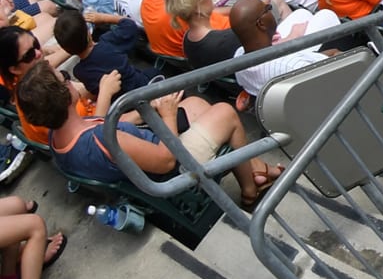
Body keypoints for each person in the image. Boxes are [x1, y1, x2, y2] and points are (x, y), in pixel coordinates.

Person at [23, 58, 280, 210]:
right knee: (225, 112)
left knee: (195, 105)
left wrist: (150, 108)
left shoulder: (57, 139)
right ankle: (249, 190)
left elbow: (113, 123)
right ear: (65, 95)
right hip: (173, 173)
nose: (70, 80)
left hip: (143, 162)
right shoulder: (105, 139)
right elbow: (166, 161)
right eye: (65, 78)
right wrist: (167, 115)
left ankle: (256, 169)